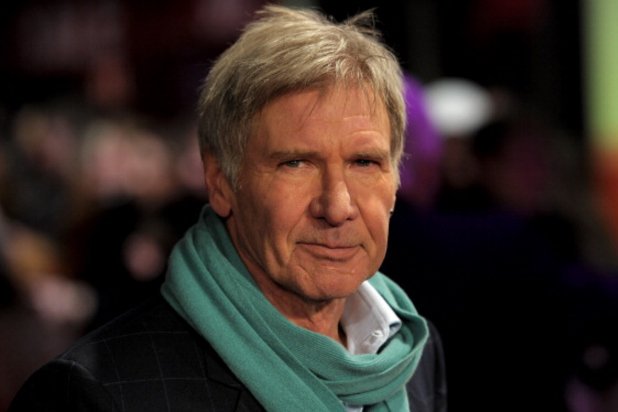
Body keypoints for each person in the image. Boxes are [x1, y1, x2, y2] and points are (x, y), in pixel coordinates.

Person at [9, 5, 446, 411]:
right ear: (220, 182)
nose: (337, 206)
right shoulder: (91, 394)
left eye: (364, 162)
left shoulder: (413, 354)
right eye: (296, 163)